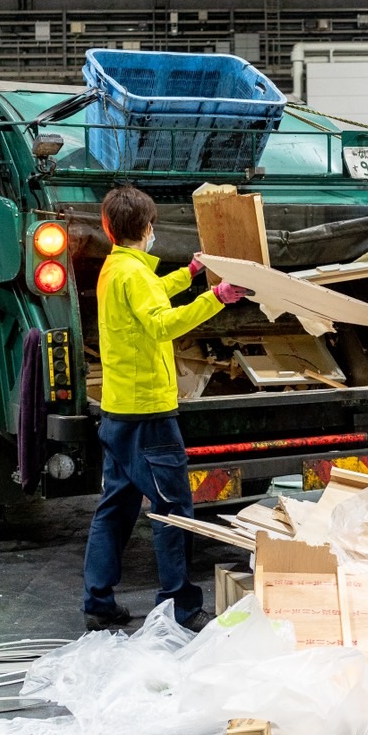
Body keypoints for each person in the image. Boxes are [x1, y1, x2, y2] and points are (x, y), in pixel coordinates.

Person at [82, 183, 248, 631]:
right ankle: (180, 606)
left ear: (107, 227)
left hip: (117, 409)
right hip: (149, 414)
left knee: (115, 508)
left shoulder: (117, 268)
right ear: (149, 227)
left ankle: (98, 602)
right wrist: (215, 298)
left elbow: (151, 293)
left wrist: (190, 272)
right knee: (173, 509)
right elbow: (161, 324)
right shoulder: (133, 275)